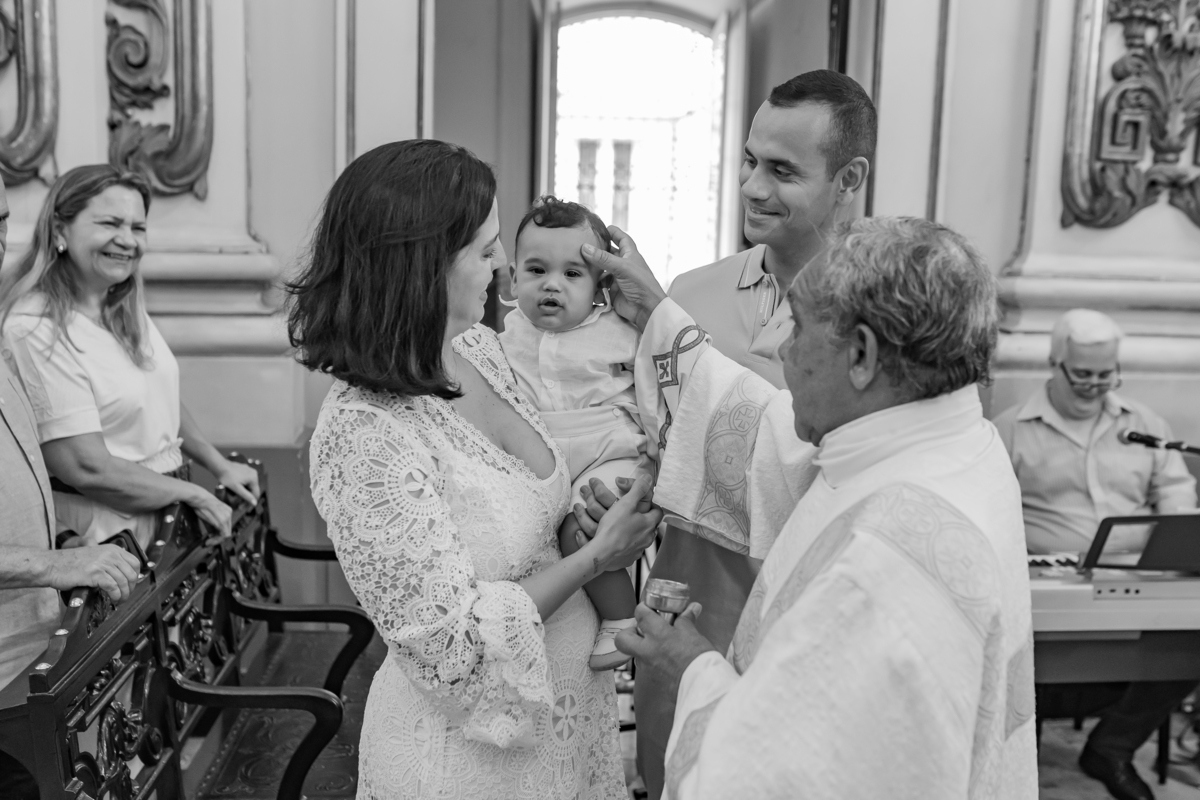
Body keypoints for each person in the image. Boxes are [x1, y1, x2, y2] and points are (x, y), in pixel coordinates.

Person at [576, 216, 1038, 797]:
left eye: (796, 328)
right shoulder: (957, 442)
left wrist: (694, 663)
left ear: (863, 355)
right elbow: (769, 438)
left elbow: (779, 774)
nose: (775, 348)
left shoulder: (882, 566)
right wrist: (655, 317)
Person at [289, 140, 662, 800]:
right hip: (465, 766)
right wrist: (597, 556)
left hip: (568, 736)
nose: (502, 265)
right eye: (486, 247)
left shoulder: (482, 350)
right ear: (421, 263)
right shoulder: (365, 433)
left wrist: (595, 513)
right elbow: (449, 648)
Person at [634, 68, 875, 795]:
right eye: (748, 161)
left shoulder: (888, 312)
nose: (753, 187)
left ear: (849, 177)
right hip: (689, 598)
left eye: (782, 170)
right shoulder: (690, 296)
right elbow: (656, 443)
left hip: (809, 613)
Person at [993, 309, 1196, 800]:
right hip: (1045, 576)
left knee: (1192, 643)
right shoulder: (1011, 429)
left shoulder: (1144, 425)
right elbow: (991, 512)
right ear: (1054, 363)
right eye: (1082, 373)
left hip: (1140, 572)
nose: (1095, 385)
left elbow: (1175, 494)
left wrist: (1180, 537)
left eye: (1106, 374)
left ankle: (1113, 745)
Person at [0, 165, 258, 550]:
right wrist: (194, 494)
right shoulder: (35, 326)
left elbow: (155, 393)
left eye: (138, 227)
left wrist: (216, 464)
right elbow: (87, 468)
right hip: (105, 530)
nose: (127, 240)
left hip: (162, 509)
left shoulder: (118, 300)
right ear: (59, 230)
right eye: (110, 223)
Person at [0, 173, 145, 800]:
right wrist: (56, 562)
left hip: (28, 667)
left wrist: (58, 536)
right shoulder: (31, 323)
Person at [499, 196, 653, 670]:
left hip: (607, 450)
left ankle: (621, 621)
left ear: (599, 285)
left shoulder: (619, 331)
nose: (552, 285)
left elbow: (654, 384)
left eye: (572, 274)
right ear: (512, 275)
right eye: (536, 270)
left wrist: (653, 450)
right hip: (542, 458)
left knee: (584, 528)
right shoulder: (505, 335)